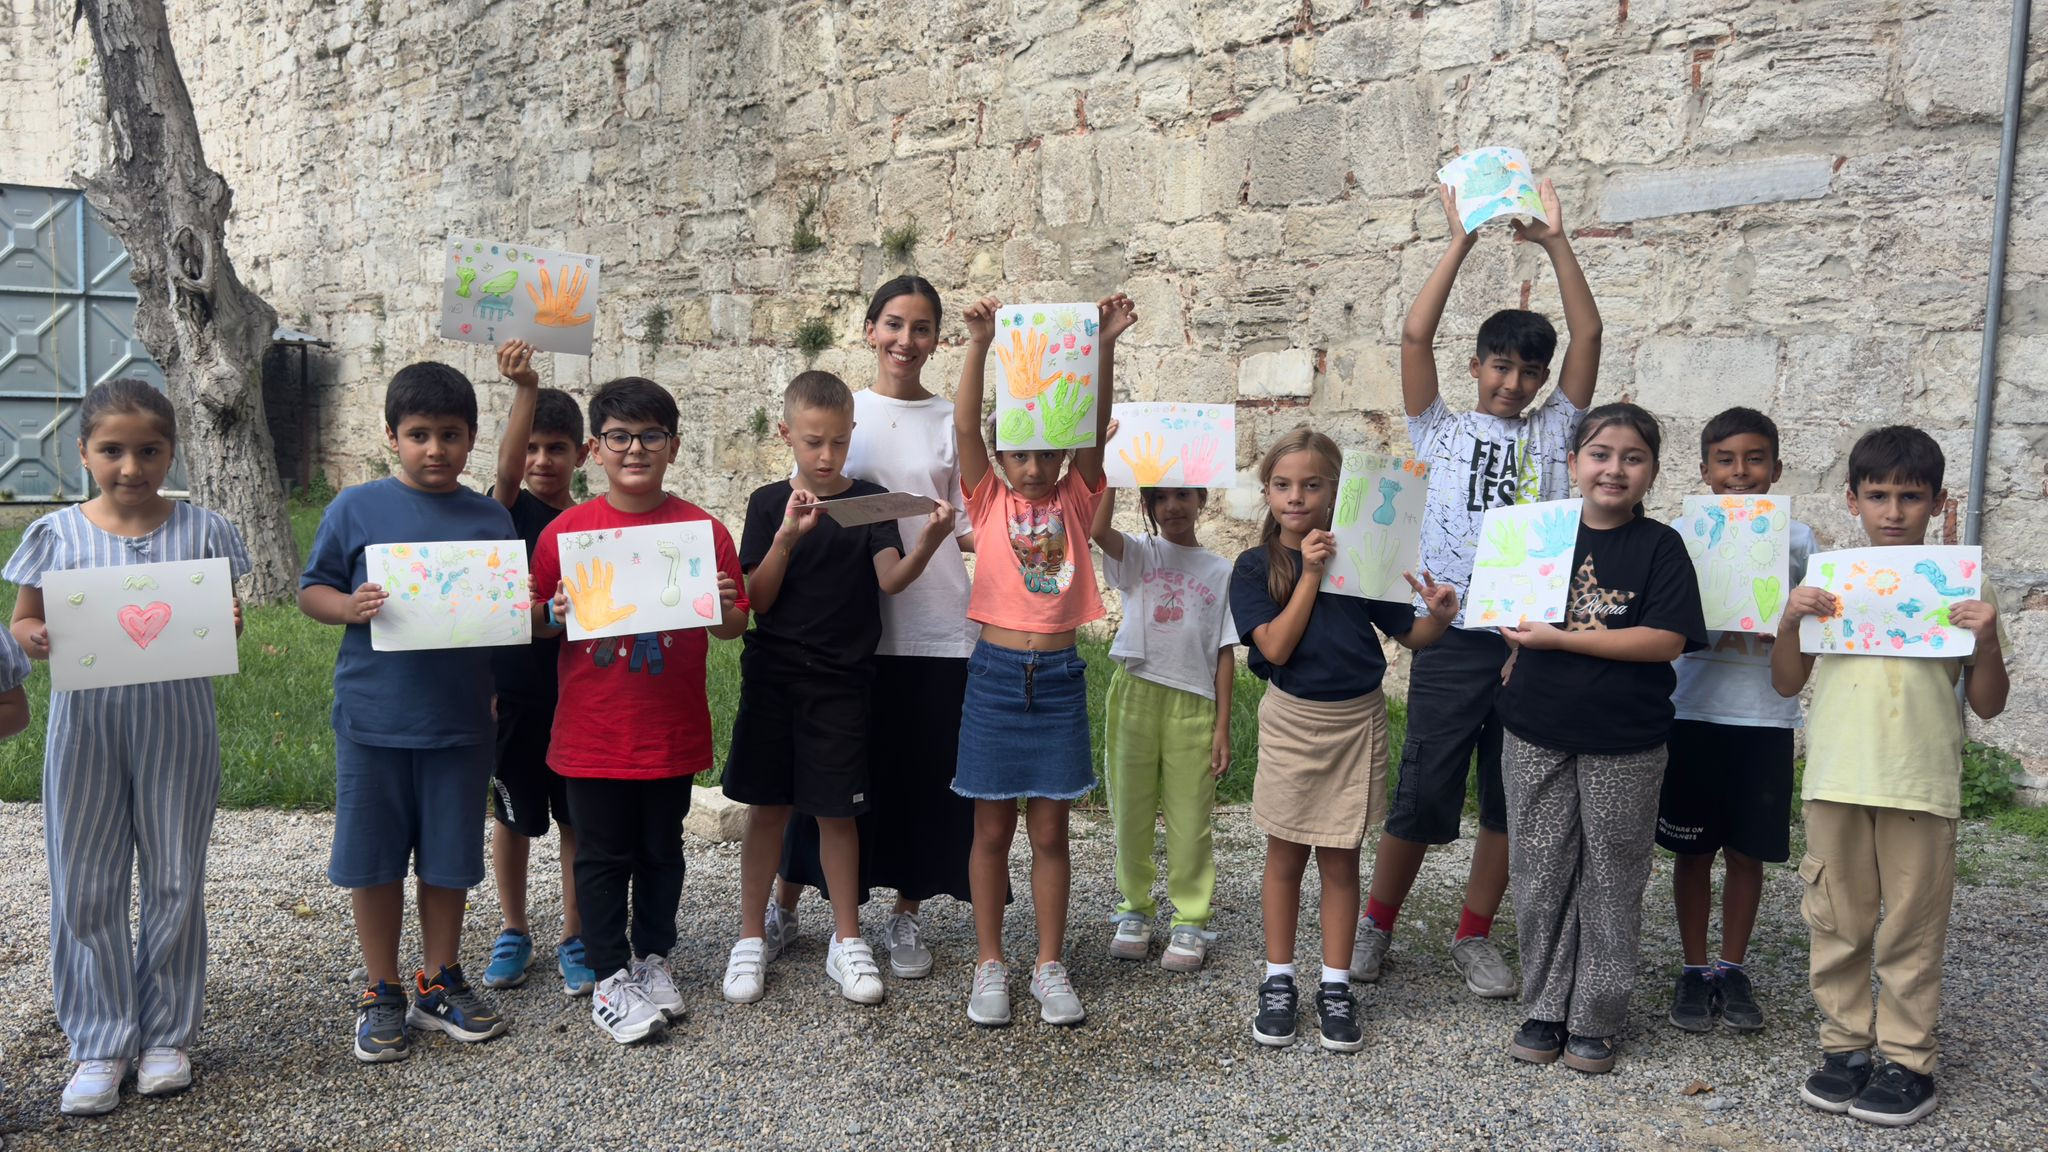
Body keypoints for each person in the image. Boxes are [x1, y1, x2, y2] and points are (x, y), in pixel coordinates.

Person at [1361, 177, 1600, 997]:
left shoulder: (1556, 431)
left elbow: (1589, 332)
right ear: (1477, 366)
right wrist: (1460, 237)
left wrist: (1556, 243)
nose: (1514, 383)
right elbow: (1413, 335)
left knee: (1509, 797)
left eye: (1530, 372)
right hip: (1452, 637)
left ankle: (1473, 934)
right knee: (1423, 788)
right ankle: (1375, 924)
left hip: (1529, 640)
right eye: (1502, 366)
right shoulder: (1440, 428)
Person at [6, 379, 249, 1113]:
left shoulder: (204, 529)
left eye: (149, 450)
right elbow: (22, 621)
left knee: (175, 875)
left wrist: (226, 621)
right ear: (83, 452)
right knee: (85, 881)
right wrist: (35, 636)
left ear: (172, 451)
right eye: (112, 450)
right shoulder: (57, 535)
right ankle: (100, 1040)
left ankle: (167, 1034)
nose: (131, 467)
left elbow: (219, 616)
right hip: (86, 730)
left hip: (178, 726)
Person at [1773, 426, 2009, 1128]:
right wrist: (1788, 622)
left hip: (1920, 780)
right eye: (1878, 496)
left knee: (1912, 927)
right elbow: (1786, 683)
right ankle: (1844, 1047)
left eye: (1911, 497)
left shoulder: (1966, 585)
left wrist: (1987, 641)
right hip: (1837, 777)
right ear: (1853, 500)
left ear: (1939, 502)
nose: (1894, 511)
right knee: (1836, 921)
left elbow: (1990, 704)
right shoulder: (1827, 581)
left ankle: (1909, 1061)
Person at [299, 362, 514, 1063]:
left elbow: (504, 613)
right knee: (374, 857)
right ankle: (381, 986)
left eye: (450, 435)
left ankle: (438, 979)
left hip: (461, 722)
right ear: (392, 437)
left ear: (472, 438)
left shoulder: (490, 518)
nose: (435, 449)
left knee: (450, 858)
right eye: (419, 434)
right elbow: (311, 590)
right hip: (374, 719)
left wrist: (531, 619)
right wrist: (347, 605)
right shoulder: (355, 508)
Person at [770, 276, 982, 981]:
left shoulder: (951, 420)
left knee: (918, 776)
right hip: (841, 628)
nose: (905, 340)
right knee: (824, 777)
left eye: (921, 328)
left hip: (932, 622)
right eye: (894, 323)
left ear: (937, 339)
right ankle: (786, 903)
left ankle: (905, 913)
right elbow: (806, 501)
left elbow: (969, 522)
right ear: (869, 329)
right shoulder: (840, 413)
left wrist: (1008, 533)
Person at [720, 371, 955, 1006]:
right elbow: (757, 598)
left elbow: (891, 581)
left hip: (843, 682)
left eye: (839, 442)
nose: (827, 457)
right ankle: (750, 936)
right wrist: (785, 538)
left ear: (853, 434)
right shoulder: (768, 503)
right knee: (767, 808)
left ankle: (846, 939)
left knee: (838, 811)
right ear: (786, 434)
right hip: (773, 676)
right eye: (813, 442)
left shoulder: (871, 502)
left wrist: (931, 540)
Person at [532, 376, 749, 1044]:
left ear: (674, 446)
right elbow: (533, 621)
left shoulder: (703, 532)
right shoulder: (566, 533)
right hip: (592, 733)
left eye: (651, 436)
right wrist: (552, 613)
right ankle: (607, 976)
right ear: (596, 449)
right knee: (600, 857)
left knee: (662, 851)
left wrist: (724, 603)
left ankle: (653, 958)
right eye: (620, 437)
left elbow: (733, 627)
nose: (635, 450)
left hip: (669, 732)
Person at [1495, 403, 1706, 1075]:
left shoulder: (1660, 547)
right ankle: (1544, 1007)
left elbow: (1665, 640)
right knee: (1539, 872)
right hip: (1536, 728)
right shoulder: (1539, 535)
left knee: (1613, 877)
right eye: (1600, 454)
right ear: (1573, 463)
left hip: (1625, 740)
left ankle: (1595, 1016)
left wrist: (1561, 639)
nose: (1614, 469)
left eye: (1633, 457)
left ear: (1652, 471)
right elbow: (1505, 609)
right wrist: (1501, 630)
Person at [1233, 428, 1458, 1053]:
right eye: (1283, 485)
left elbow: (1413, 636)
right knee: (1284, 856)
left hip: (1356, 722)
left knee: (1340, 858)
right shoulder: (1254, 567)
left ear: (1337, 491)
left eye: (1312, 485)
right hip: (1291, 720)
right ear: (1267, 491)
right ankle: (1279, 979)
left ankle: (1335, 984)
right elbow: (1276, 647)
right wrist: (1311, 572)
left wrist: (1440, 617)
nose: (1296, 497)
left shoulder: (1364, 558)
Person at [953, 292, 1133, 1028]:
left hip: (1057, 681)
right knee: (991, 832)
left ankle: (1049, 964)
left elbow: (1090, 425)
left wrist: (1104, 346)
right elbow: (965, 426)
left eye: (1044, 453)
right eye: (1018, 453)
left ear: (1063, 454)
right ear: (1001, 457)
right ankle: (990, 962)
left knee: (1052, 833)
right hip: (994, 679)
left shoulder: (1076, 499)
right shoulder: (987, 499)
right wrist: (981, 344)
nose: (1032, 467)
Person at [1656, 407, 1815, 1034]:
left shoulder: (1797, 539)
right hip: (1692, 710)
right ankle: (1694, 968)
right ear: (1704, 471)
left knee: (1748, 853)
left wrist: (1793, 625)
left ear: (1776, 468)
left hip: (1765, 717)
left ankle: (1733, 966)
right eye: (1725, 460)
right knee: (1693, 850)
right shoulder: (1680, 534)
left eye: (1754, 459)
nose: (1740, 471)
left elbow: (1817, 625)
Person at [480, 340, 597, 996]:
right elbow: (504, 475)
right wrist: (524, 388)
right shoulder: (504, 513)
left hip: (580, 695)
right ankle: (514, 928)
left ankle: (575, 933)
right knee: (512, 817)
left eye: (556, 448)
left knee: (576, 820)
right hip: (516, 693)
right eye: (531, 448)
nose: (541, 460)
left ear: (582, 454)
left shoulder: (593, 526)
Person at [1089, 457, 1235, 972]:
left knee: (1190, 819)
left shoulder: (1221, 571)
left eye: (1182, 495)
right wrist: (1115, 469)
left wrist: (1222, 726)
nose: (1172, 506)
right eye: (1160, 497)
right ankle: (1134, 909)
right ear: (1148, 505)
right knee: (1130, 810)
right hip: (1135, 694)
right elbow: (1097, 530)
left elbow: (1224, 650)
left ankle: (1191, 918)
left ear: (1202, 499)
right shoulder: (1140, 553)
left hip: (1193, 703)